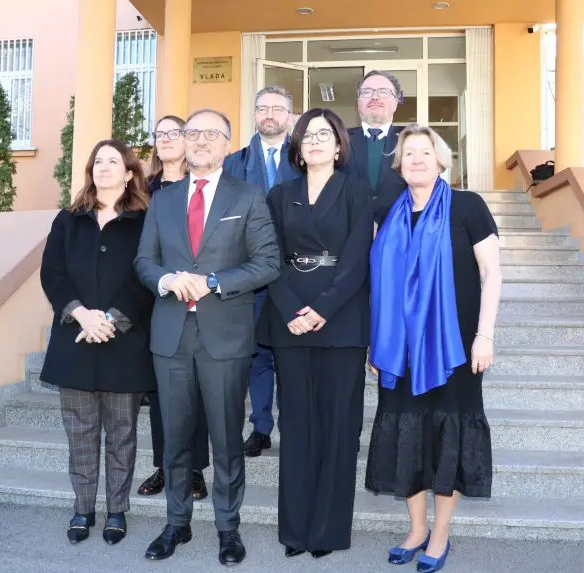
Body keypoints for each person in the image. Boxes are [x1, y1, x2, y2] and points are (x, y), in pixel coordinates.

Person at [134, 108, 280, 565]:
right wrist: (166, 280)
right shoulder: (163, 200)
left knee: (226, 440)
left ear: (227, 144)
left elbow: (268, 263)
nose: (200, 141)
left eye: (211, 134)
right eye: (192, 132)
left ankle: (227, 528)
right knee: (175, 438)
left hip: (225, 337)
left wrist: (214, 281)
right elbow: (144, 262)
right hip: (171, 335)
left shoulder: (249, 197)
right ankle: (176, 523)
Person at [365, 125, 502, 573]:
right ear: (399, 164)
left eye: (426, 152)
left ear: (442, 161)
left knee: (448, 438)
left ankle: (440, 534)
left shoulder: (468, 206)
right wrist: (376, 344)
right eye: (409, 153)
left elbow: (492, 274)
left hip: (453, 350)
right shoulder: (388, 212)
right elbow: (380, 287)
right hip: (400, 351)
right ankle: (416, 528)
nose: (417, 159)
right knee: (407, 435)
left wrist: (484, 335)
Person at [256, 108, 373, 558]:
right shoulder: (280, 194)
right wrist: (292, 309)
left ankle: (327, 532)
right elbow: (269, 257)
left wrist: (322, 308)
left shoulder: (357, 191)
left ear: (340, 146)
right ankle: (295, 530)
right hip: (289, 320)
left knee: (338, 428)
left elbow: (357, 259)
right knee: (297, 425)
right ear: (298, 148)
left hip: (341, 320)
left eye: (325, 135)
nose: (316, 141)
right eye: (308, 136)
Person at [39, 139, 156, 546]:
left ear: (129, 172)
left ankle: (117, 510)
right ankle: (83, 508)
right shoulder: (68, 220)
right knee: (80, 432)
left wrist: (111, 319)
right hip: (75, 341)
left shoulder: (146, 221)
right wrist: (81, 314)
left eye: (113, 161)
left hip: (125, 344)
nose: (104, 167)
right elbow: (52, 274)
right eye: (98, 162)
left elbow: (146, 278)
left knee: (122, 433)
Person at [223, 86, 301, 457]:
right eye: (262, 108)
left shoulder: (304, 159)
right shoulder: (234, 164)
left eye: (277, 108)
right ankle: (261, 427)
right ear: (254, 115)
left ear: (290, 116)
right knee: (257, 355)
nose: (269, 114)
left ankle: (293, 426)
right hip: (250, 275)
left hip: (295, 274)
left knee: (291, 355)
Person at [137, 115, 210, 502]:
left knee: (195, 389)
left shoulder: (204, 186)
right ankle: (165, 465)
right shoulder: (141, 190)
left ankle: (194, 468)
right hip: (152, 301)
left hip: (197, 302)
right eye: (160, 133)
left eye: (174, 133)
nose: (165, 139)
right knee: (160, 392)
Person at [343, 70, 406, 227]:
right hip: (348, 230)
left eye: (383, 92)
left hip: (400, 230)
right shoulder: (339, 139)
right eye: (367, 92)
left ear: (396, 101)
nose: (375, 97)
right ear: (358, 102)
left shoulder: (411, 139)